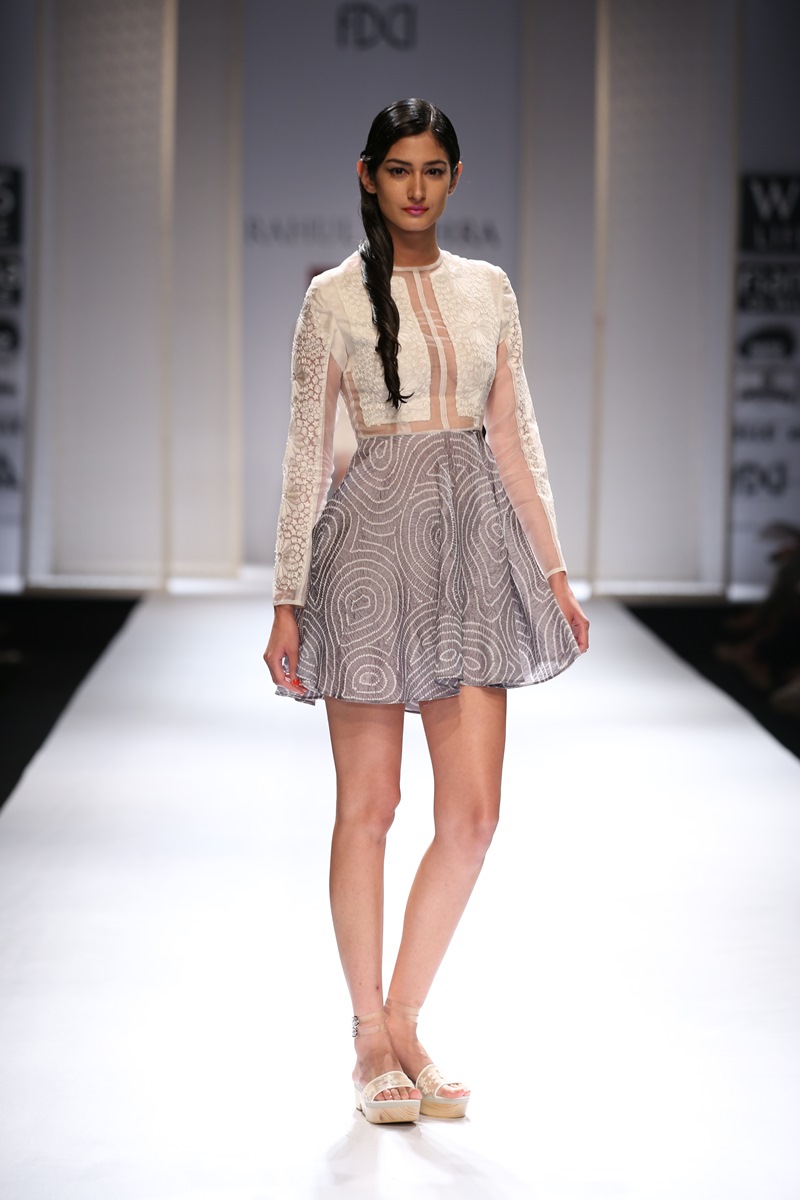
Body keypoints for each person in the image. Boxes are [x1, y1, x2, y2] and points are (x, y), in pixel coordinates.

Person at [264, 98, 589, 1125]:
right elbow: (304, 456)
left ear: (453, 178)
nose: (416, 187)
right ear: (368, 175)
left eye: (433, 169)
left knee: (473, 817)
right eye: (398, 168)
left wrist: (553, 573)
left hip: (471, 555)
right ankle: (369, 1041)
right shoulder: (330, 298)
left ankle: (406, 1018)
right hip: (365, 557)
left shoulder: (488, 289)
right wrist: (285, 598)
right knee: (369, 808)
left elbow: (515, 440)